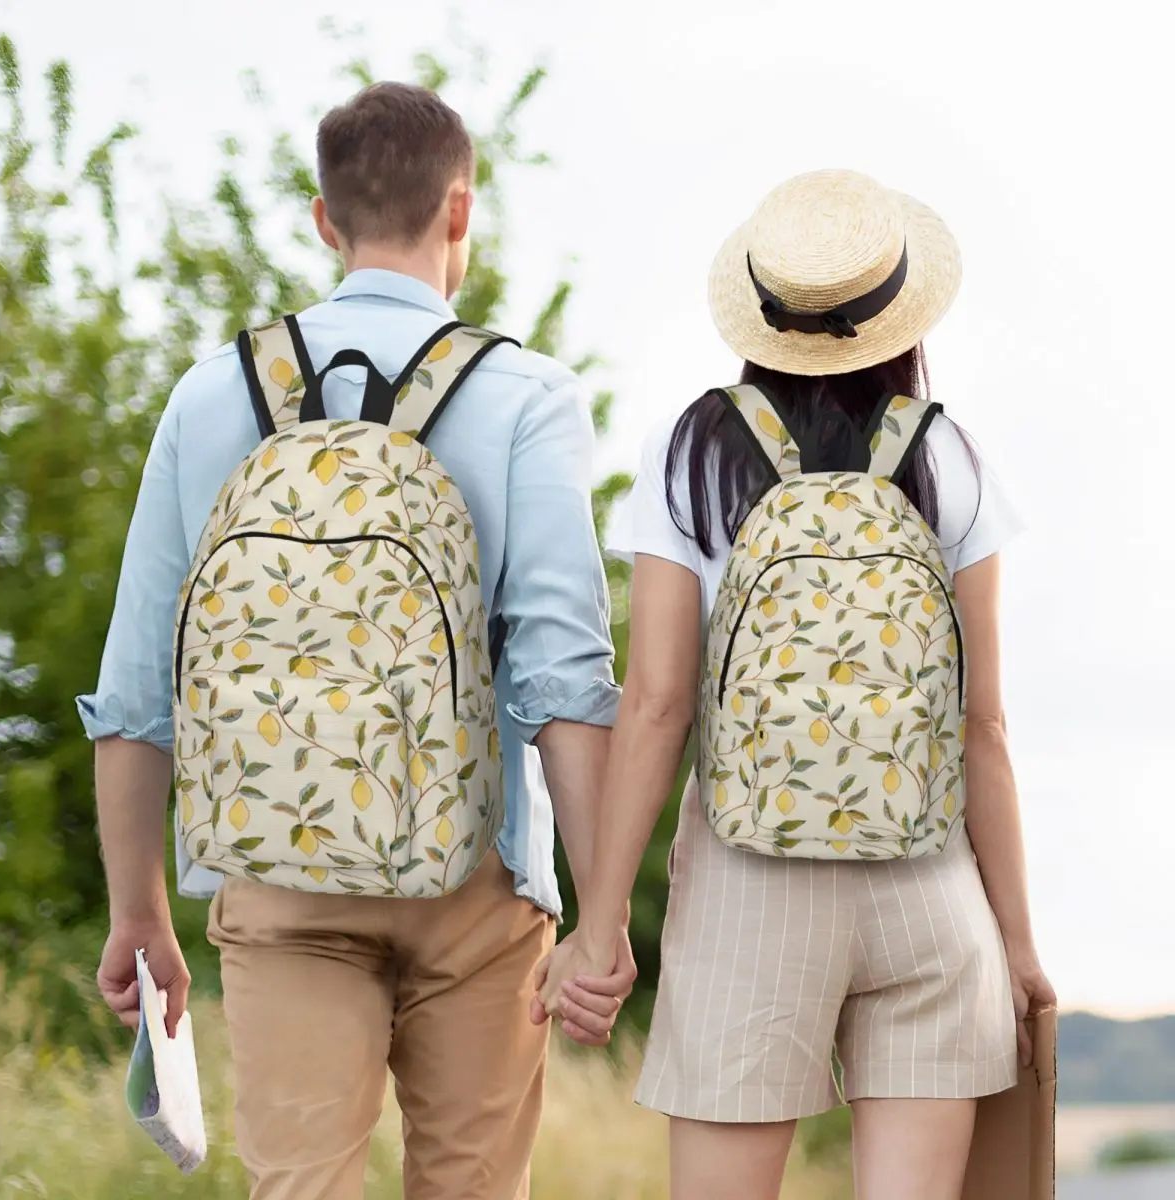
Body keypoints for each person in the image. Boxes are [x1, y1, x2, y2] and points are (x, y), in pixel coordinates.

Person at [81, 81, 634, 1200]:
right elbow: (564, 678)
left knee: (300, 1187)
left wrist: (138, 910)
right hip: (477, 877)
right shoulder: (525, 395)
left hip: (276, 873)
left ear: (324, 219)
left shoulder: (211, 394)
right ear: (461, 213)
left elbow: (139, 685)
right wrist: (602, 915)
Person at [536, 169, 1056, 1200]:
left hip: (748, 886)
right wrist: (1019, 945)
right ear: (898, 314)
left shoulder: (692, 451)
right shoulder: (948, 456)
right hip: (929, 888)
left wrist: (598, 927)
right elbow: (983, 725)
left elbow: (656, 704)